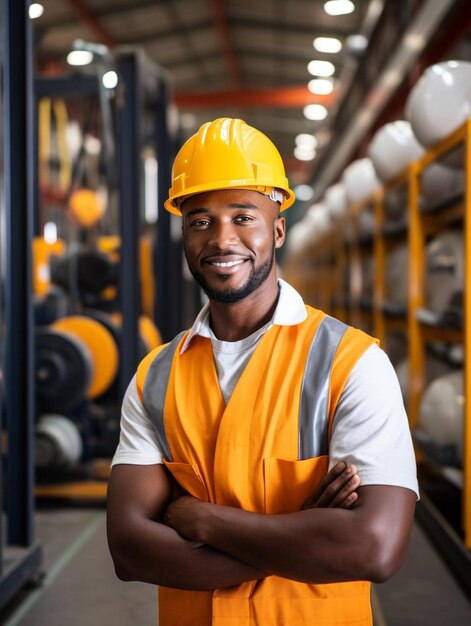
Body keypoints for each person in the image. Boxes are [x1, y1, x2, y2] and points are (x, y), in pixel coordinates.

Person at [107, 117, 418, 626]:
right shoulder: (154, 376)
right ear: (184, 233)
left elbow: (373, 550)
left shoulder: (353, 363)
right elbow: (129, 550)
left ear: (277, 228)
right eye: (200, 220)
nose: (221, 239)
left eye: (243, 216)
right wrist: (301, 532)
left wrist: (200, 518)